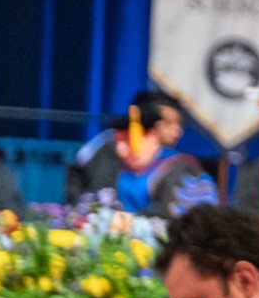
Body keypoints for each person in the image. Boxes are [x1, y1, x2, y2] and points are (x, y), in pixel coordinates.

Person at [64, 89, 216, 214]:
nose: (177, 130)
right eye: (167, 122)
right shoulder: (109, 148)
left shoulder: (180, 166)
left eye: (179, 123)